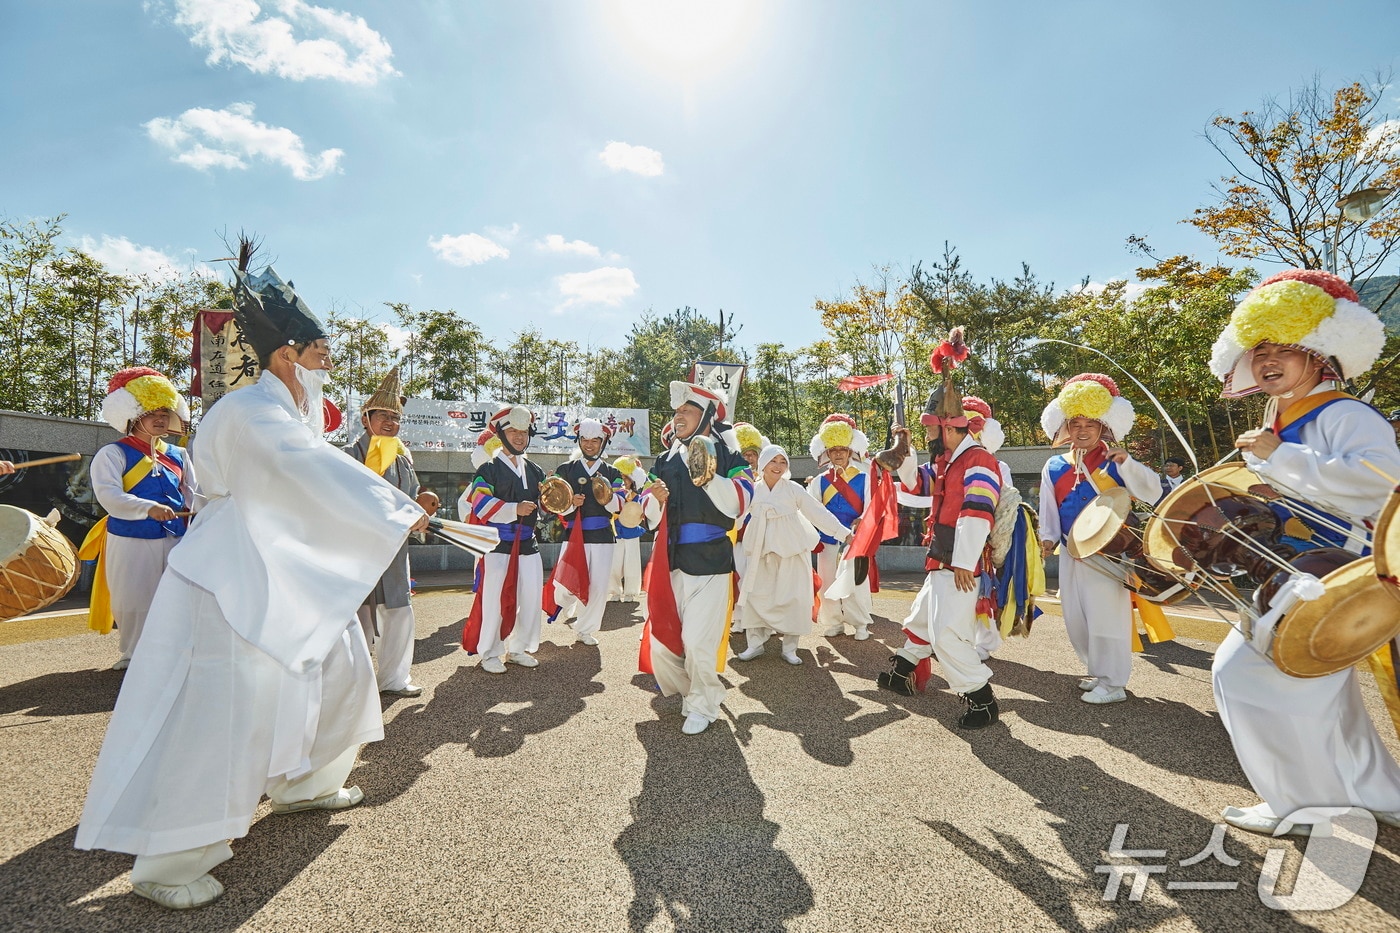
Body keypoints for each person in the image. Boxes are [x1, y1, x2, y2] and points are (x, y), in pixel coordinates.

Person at [75, 259, 427, 909]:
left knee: (341, 665)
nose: (328, 357)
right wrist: (395, 508)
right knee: (221, 707)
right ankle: (170, 858)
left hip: (282, 568)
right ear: (287, 353)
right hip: (229, 572)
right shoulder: (246, 411)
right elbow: (301, 469)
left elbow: (309, 469)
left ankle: (305, 780)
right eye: (320, 347)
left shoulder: (294, 408)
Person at [1206, 268, 1400, 836]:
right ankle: (1379, 792)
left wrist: (1279, 459)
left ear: (1320, 353)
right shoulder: (1285, 418)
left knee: (1245, 674)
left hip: (1335, 571)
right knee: (1320, 691)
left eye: (1285, 347)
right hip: (1302, 570)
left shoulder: (1344, 414)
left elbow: (1380, 484)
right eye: (1259, 347)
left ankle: (1309, 806)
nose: (1268, 359)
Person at [878, 359, 1003, 729]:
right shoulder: (949, 462)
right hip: (942, 559)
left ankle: (981, 699)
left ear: (947, 428)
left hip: (959, 563)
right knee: (920, 619)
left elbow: (977, 513)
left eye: (931, 433)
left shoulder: (979, 460)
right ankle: (901, 672)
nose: (929, 439)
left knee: (947, 633)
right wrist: (902, 450)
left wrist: (964, 561)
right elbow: (917, 486)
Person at [1038, 373, 1161, 705]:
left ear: (1104, 426)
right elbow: (1048, 508)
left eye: (1090, 423)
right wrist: (1047, 539)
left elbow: (1153, 490)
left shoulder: (1116, 461)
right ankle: (1098, 671)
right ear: (1065, 427)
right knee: (1076, 616)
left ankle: (1114, 681)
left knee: (1107, 616)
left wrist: (1130, 464)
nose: (1082, 429)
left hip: (1109, 550)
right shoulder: (1053, 466)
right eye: (1075, 422)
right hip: (1070, 549)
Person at [641, 381, 751, 735]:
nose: (678, 417)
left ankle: (705, 703)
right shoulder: (664, 458)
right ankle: (694, 692)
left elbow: (741, 503)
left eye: (686, 411)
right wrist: (653, 499)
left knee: (700, 641)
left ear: (706, 415)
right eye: (676, 412)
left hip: (711, 558)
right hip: (669, 559)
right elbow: (647, 514)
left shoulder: (730, 457)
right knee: (663, 638)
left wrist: (707, 476)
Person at [82, 367, 197, 670]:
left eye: (164, 411)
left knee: (177, 597)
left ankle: (174, 653)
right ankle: (132, 653)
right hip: (130, 536)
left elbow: (193, 494)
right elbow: (109, 496)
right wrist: (147, 508)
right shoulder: (112, 453)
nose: (160, 417)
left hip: (175, 536)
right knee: (133, 599)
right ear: (133, 414)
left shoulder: (179, 454)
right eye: (151, 412)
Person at [344, 367, 439, 698]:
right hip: (355, 553)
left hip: (395, 553)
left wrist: (420, 512)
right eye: (382, 415)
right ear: (365, 418)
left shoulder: (402, 462)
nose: (389, 422)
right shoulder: (346, 458)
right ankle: (352, 682)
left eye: (395, 418)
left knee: (398, 612)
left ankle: (394, 679)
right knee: (356, 618)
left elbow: (411, 501)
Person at [733, 445, 852, 666]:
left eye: (782, 461)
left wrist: (844, 534)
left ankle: (790, 647)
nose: (778, 466)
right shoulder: (751, 489)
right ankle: (755, 644)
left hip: (791, 551)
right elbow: (735, 516)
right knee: (757, 596)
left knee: (793, 598)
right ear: (763, 464)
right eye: (773, 461)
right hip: (759, 552)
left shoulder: (793, 489)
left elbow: (818, 513)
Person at [459, 406, 546, 673]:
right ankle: (490, 652)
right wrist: (514, 509)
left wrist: (558, 502)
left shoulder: (535, 470)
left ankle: (518, 648)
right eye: (512, 431)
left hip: (528, 543)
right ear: (500, 433)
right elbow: (480, 505)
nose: (519, 437)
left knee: (531, 598)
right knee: (494, 599)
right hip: (498, 545)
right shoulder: (488, 468)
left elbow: (548, 507)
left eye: (523, 432)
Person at [551, 418, 623, 646]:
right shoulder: (566, 469)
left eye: (595, 440)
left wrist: (607, 498)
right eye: (585, 440)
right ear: (579, 441)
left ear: (603, 442)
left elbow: (620, 505)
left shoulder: (612, 472)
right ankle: (563, 600)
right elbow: (553, 502)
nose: (589, 444)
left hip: (602, 536)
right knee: (565, 585)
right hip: (573, 535)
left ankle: (585, 629)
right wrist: (570, 502)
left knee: (599, 587)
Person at [807, 413, 875, 640]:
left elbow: (872, 506)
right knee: (828, 582)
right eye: (833, 449)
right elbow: (811, 509)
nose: (838, 454)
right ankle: (834, 622)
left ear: (850, 451)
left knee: (856, 582)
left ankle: (861, 623)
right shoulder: (819, 481)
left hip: (855, 539)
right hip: (828, 539)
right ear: (826, 452)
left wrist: (861, 520)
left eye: (842, 450)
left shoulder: (865, 478)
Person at [608, 455, 649, 601]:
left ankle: (631, 591)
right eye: (621, 477)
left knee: (632, 562)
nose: (623, 480)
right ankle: (614, 590)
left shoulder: (638, 495)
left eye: (626, 478)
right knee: (614, 562)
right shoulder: (613, 493)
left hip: (631, 530)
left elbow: (643, 509)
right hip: (616, 530)